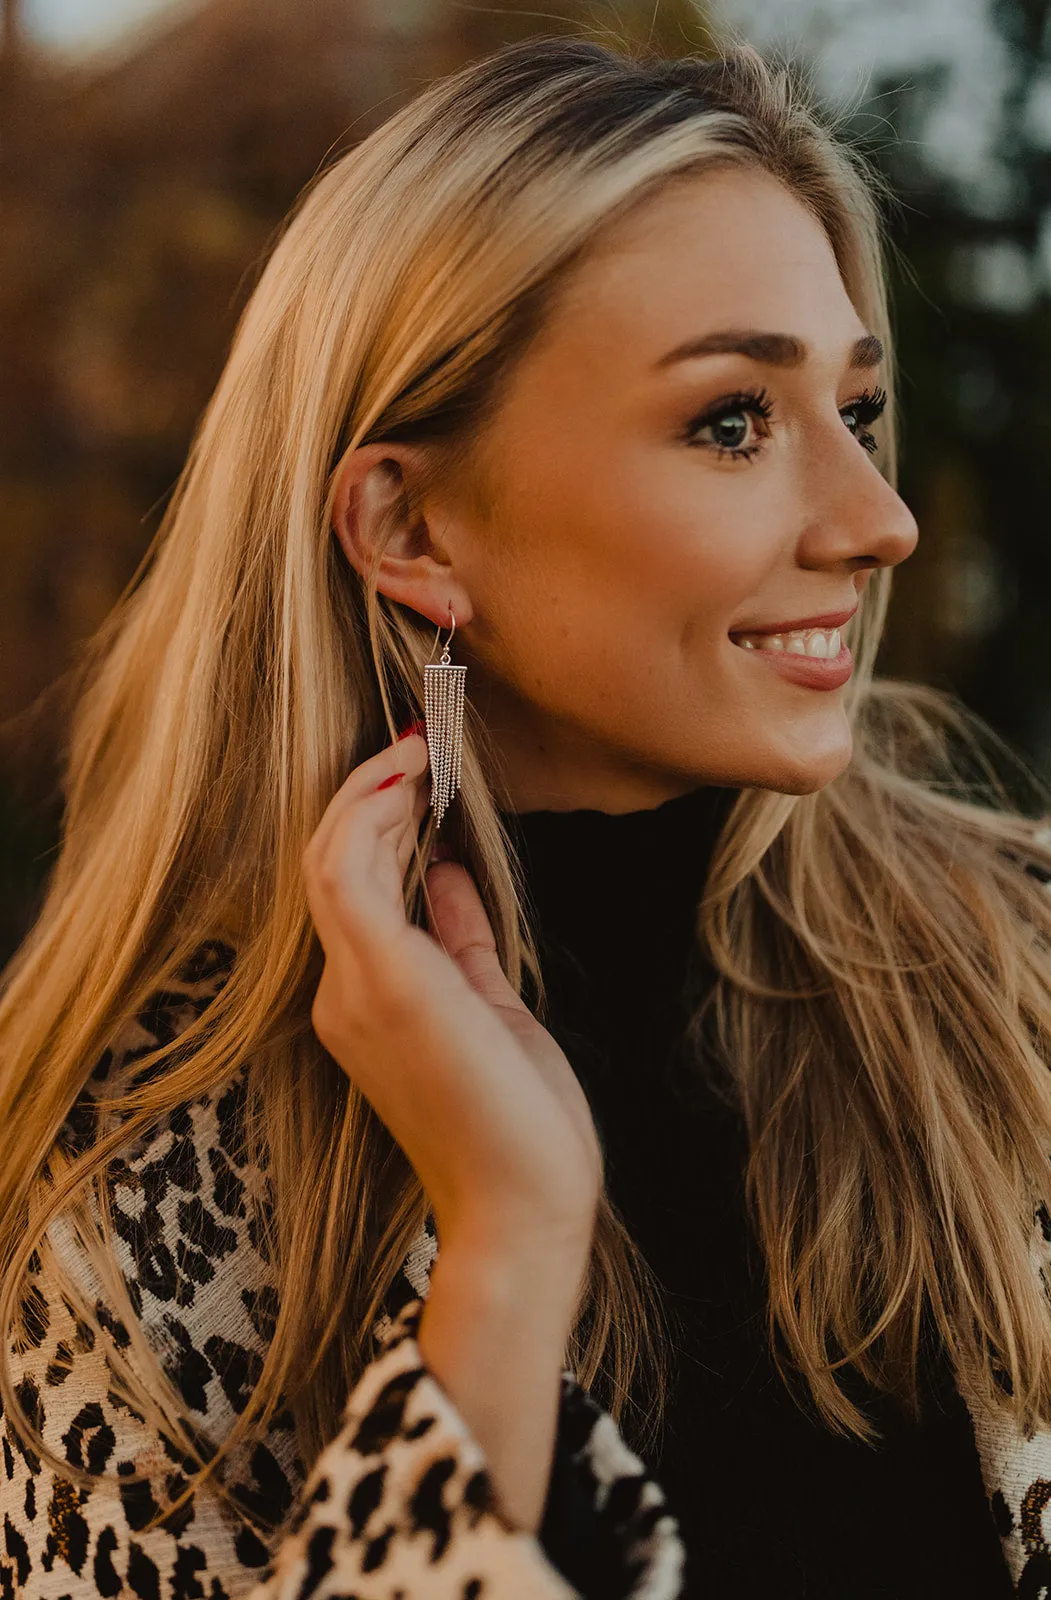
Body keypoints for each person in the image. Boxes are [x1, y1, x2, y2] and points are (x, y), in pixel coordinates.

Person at [2, 33, 1051, 1600]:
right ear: (411, 526)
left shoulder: (1018, 984)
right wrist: (503, 1254)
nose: (879, 521)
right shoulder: (130, 1212)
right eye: (731, 421)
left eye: (858, 406)